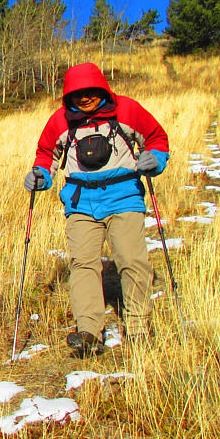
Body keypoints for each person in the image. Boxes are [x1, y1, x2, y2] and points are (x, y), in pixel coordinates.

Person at [24, 62, 169, 356]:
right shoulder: (61, 121)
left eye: (89, 91)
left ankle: (139, 327)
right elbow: (47, 154)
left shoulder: (127, 110)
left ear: (101, 88)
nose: (83, 98)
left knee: (132, 260)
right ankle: (89, 331)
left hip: (124, 196)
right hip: (80, 202)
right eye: (76, 94)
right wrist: (39, 175)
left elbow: (156, 138)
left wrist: (155, 159)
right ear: (68, 96)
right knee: (83, 264)